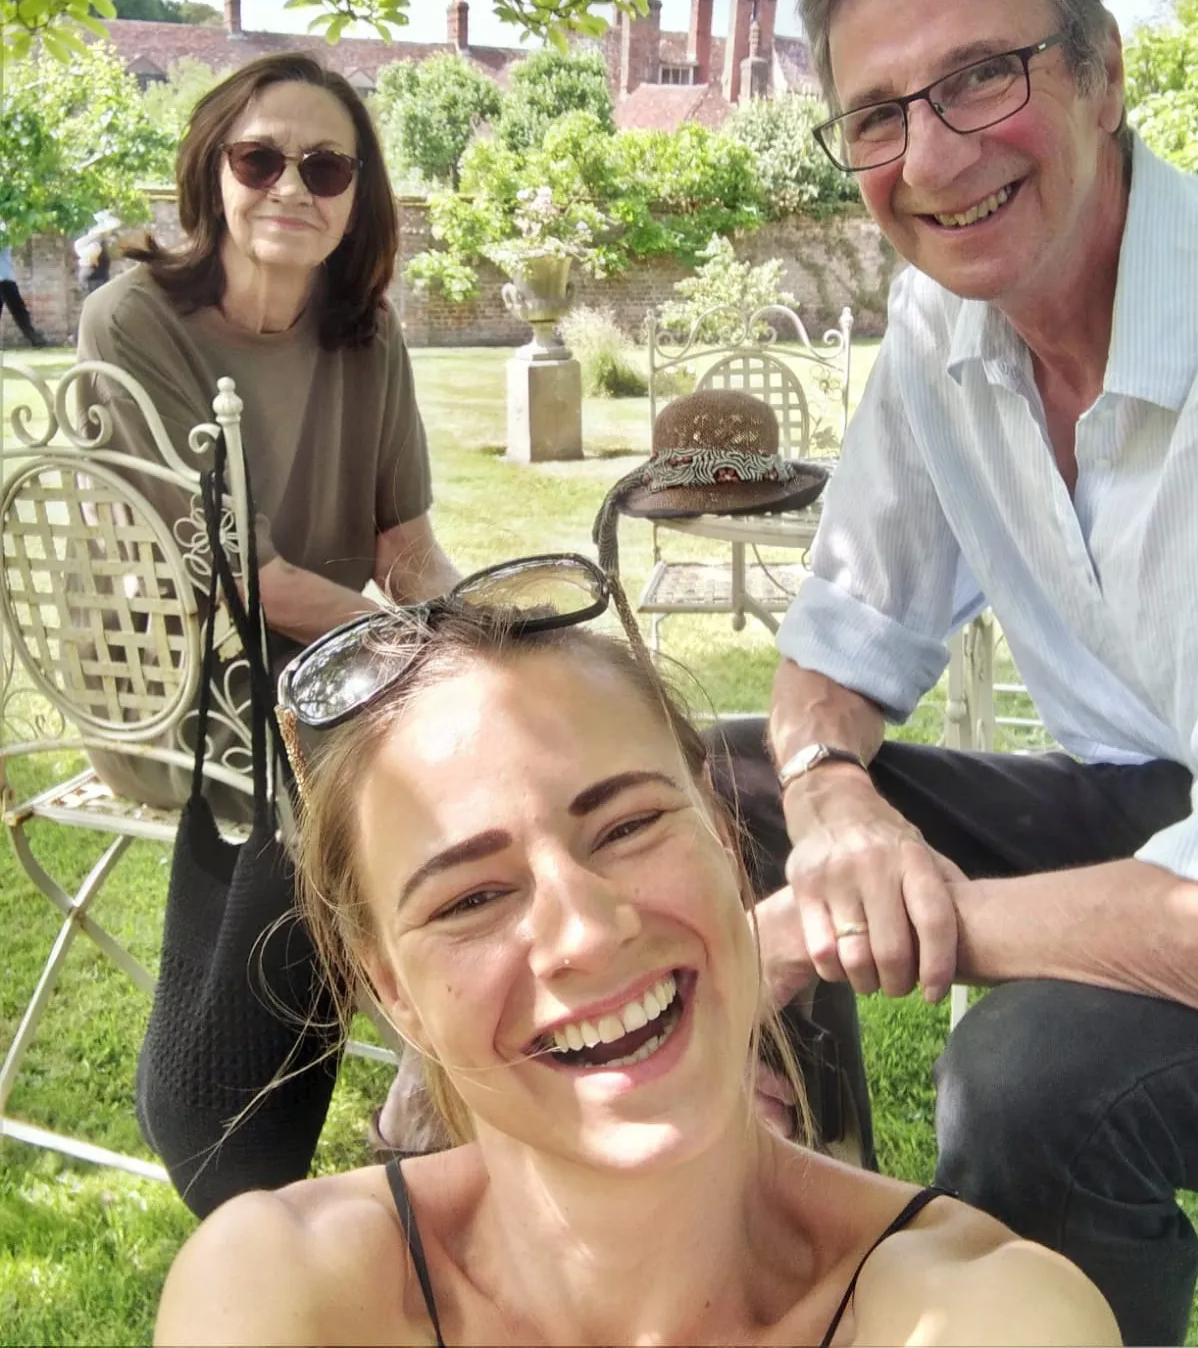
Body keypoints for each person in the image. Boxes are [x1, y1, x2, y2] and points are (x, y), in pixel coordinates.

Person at [155, 555, 1118, 1346]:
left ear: (727, 839)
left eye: (625, 828)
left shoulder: (981, 1314)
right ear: (393, 992)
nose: (586, 931)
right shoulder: (283, 1297)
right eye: (474, 897)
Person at [757, 0, 1198, 1346]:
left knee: (1029, 1077)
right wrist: (831, 810)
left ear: (1100, 74)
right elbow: (833, 644)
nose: (929, 156)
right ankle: (799, 1276)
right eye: (876, 113)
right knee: (701, 792)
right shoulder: (940, 329)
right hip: (1140, 804)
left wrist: (838, 927)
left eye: (979, 76)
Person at [76, 50, 459, 1206]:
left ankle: (442, 1062)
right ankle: (226, 1107)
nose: (292, 184)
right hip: (172, 685)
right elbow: (240, 574)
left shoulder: (367, 335)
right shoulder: (133, 316)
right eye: (260, 156)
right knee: (373, 737)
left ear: (357, 197)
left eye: (326, 164)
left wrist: (479, 625)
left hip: (332, 673)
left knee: (487, 726)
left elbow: (407, 552)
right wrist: (412, 648)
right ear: (213, 173)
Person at [0, 243, 49, 347]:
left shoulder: (4, 234)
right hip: (5, 278)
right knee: (19, 311)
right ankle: (34, 338)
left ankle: (34, 338)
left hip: (6, 278)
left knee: (19, 310)